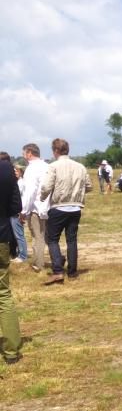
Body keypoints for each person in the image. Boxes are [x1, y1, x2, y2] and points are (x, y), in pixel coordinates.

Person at [40, 139, 92, 284]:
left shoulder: (53, 166)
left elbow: (46, 187)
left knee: (52, 239)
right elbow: (89, 186)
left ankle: (57, 271)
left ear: (55, 151)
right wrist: (77, 193)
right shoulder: (80, 166)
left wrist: (42, 197)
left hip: (58, 207)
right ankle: (73, 272)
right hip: (75, 208)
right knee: (71, 240)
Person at [0, 155, 22, 364]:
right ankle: (11, 351)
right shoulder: (6, 169)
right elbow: (16, 207)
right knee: (3, 294)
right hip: (2, 236)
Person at [20, 143, 50, 273]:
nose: (23, 156)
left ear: (29, 153)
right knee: (48, 237)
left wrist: (23, 211)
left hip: (36, 207)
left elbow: (30, 192)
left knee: (37, 237)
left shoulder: (31, 169)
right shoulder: (47, 166)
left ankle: (39, 264)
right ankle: (58, 258)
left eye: (24, 153)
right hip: (49, 206)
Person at [11, 165, 28, 263]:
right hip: (18, 211)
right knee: (18, 234)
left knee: (19, 235)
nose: (15, 173)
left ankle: (23, 256)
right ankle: (20, 254)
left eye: (16, 171)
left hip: (18, 212)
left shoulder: (20, 183)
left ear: (21, 172)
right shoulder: (18, 182)